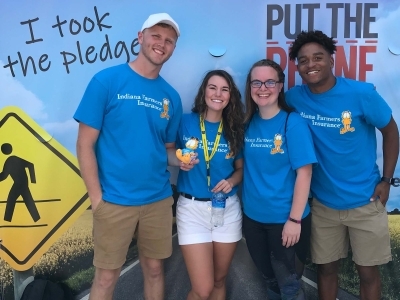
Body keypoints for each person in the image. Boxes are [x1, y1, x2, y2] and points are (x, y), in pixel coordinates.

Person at [74, 13, 195, 300]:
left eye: (169, 41)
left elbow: (166, 150)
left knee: (154, 270)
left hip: (157, 200)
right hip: (114, 201)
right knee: (105, 278)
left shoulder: (171, 97)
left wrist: (181, 160)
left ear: (173, 49)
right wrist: (97, 200)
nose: (161, 44)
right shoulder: (106, 81)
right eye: (156, 36)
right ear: (140, 38)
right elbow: (84, 144)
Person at [286, 30, 400, 300]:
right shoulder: (294, 99)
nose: (311, 64)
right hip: (324, 204)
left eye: (318, 57)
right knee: (326, 271)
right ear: (298, 67)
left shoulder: (361, 94)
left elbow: (391, 132)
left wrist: (386, 180)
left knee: (368, 274)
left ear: (331, 59)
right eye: (303, 60)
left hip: (366, 200)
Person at [242, 59, 317, 300]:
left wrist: (294, 219)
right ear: (250, 86)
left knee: (291, 288)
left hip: (286, 221)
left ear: (281, 85)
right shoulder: (246, 124)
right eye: (257, 82)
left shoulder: (292, 123)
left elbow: (305, 173)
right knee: (270, 283)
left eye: (270, 81)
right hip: (253, 221)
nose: (263, 88)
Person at [176, 70, 245, 300]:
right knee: (203, 289)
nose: (218, 94)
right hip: (192, 210)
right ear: (203, 91)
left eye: (224, 89)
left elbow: (240, 169)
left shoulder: (234, 129)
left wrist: (231, 181)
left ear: (230, 96)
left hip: (227, 209)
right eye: (212, 87)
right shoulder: (185, 122)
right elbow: (167, 151)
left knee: (218, 280)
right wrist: (179, 161)